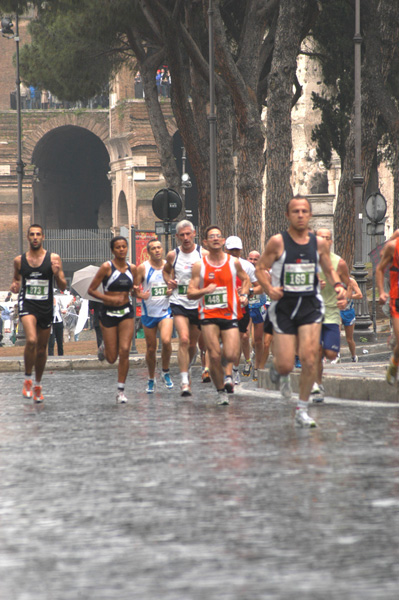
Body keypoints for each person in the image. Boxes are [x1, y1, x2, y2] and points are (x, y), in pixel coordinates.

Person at [255, 196, 346, 428]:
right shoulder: (278, 242)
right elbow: (260, 268)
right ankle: (279, 370)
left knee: (309, 358)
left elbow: (329, 269)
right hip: (284, 308)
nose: (300, 215)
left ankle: (302, 409)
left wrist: (338, 286)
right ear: (288, 215)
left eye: (305, 211)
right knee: (286, 365)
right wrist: (269, 288)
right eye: (295, 211)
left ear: (310, 215)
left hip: (310, 307)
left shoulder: (320, 244)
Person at [187, 225, 250, 404]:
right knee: (213, 356)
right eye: (211, 236)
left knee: (230, 354)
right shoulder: (199, 266)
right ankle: (221, 390)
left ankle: (228, 373)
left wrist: (244, 294)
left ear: (223, 241)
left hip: (229, 312)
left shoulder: (233, 262)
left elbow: (245, 279)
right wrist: (205, 290)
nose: (215, 238)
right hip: (208, 314)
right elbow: (191, 292)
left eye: (218, 236)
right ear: (205, 242)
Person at [10, 224, 67, 403]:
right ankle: (27, 379)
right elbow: (16, 279)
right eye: (32, 234)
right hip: (28, 304)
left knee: (42, 350)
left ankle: (37, 384)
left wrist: (57, 274)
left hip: (46, 307)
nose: (35, 237)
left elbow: (63, 286)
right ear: (28, 237)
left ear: (43, 237)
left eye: (38, 234)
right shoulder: (19, 260)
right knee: (32, 340)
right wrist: (14, 285)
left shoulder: (53, 258)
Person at [88, 236, 137, 403]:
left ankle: (121, 391)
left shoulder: (133, 268)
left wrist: (138, 292)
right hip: (108, 312)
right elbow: (91, 290)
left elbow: (134, 290)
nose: (122, 249)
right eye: (118, 247)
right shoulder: (106, 268)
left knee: (125, 350)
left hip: (125, 313)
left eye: (124, 246)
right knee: (111, 358)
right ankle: (104, 348)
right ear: (113, 250)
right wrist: (107, 299)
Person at [163, 220, 207, 396]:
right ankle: (184, 381)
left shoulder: (203, 254)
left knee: (192, 344)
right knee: (183, 339)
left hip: (197, 302)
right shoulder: (173, 255)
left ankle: (187, 365)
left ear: (194, 233)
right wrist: (169, 281)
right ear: (177, 237)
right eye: (182, 235)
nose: (186, 238)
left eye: (188, 234)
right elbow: (165, 271)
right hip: (179, 301)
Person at [311, 228, 351, 402]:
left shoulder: (339, 263)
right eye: (321, 237)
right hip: (311, 312)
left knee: (330, 354)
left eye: (328, 238)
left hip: (332, 312)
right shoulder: (307, 261)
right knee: (315, 350)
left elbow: (350, 286)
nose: (325, 241)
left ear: (331, 242)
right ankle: (316, 384)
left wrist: (345, 299)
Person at [134, 238, 174, 393]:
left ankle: (165, 371)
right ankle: (151, 378)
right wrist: (140, 294)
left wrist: (171, 290)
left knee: (166, 341)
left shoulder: (168, 266)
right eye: (153, 248)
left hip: (165, 311)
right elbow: (135, 289)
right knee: (151, 348)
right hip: (148, 313)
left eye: (159, 247)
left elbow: (174, 284)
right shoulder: (142, 268)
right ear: (148, 251)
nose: (157, 250)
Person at [223, 236, 260, 390]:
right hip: (223, 308)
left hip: (242, 308)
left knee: (241, 338)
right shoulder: (218, 263)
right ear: (226, 249)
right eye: (231, 250)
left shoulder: (247, 266)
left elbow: (260, 287)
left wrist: (248, 292)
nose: (234, 253)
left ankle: (235, 371)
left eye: (236, 250)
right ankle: (229, 370)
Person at [376, 236, 399, 384]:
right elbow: (379, 268)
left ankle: (395, 358)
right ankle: (395, 361)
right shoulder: (393, 246)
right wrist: (381, 292)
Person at [335, 276, 362, 363]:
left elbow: (359, 295)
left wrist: (349, 296)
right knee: (336, 333)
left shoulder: (351, 281)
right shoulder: (333, 280)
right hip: (337, 310)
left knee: (349, 339)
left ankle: (354, 356)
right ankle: (337, 356)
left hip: (348, 311)